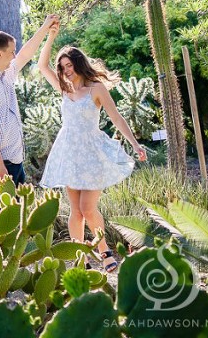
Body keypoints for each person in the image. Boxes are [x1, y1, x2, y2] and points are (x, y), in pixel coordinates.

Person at [37, 22, 147, 272]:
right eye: (62, 67)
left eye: (69, 65)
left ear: (79, 63)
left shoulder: (96, 89)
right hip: (69, 152)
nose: (66, 71)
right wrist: (50, 35)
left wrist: (135, 144)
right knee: (75, 212)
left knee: (88, 207)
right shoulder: (64, 89)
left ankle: (104, 250)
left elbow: (116, 118)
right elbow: (42, 66)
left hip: (92, 152)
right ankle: (80, 257)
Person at [0, 15, 60, 192]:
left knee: (17, 215)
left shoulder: (6, 74)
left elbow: (26, 53)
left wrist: (45, 27)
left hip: (15, 161)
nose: (14, 56)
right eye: (12, 52)